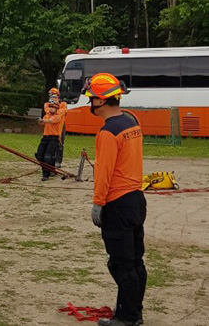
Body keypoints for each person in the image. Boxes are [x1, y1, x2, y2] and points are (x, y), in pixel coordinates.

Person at [84, 73, 146, 326]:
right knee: (135, 260)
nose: (89, 103)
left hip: (117, 203)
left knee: (121, 264)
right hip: (136, 200)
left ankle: (128, 317)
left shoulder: (108, 132)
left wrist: (98, 203)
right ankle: (132, 310)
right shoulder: (131, 121)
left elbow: (104, 171)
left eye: (91, 98)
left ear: (101, 101)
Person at [36, 100, 62, 181]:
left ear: (56, 109)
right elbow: (42, 124)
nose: (51, 109)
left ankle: (46, 174)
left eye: (53, 107)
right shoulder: (46, 116)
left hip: (53, 138)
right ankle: (50, 168)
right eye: (50, 107)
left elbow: (50, 121)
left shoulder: (58, 116)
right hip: (45, 137)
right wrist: (39, 121)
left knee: (47, 156)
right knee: (39, 155)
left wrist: (43, 120)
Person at [45, 88, 68, 166]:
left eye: (54, 95)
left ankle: (58, 161)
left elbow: (62, 112)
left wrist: (56, 109)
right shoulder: (47, 104)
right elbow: (48, 111)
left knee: (60, 143)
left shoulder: (63, 104)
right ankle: (50, 159)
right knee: (50, 142)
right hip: (50, 124)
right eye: (51, 95)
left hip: (60, 125)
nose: (52, 96)